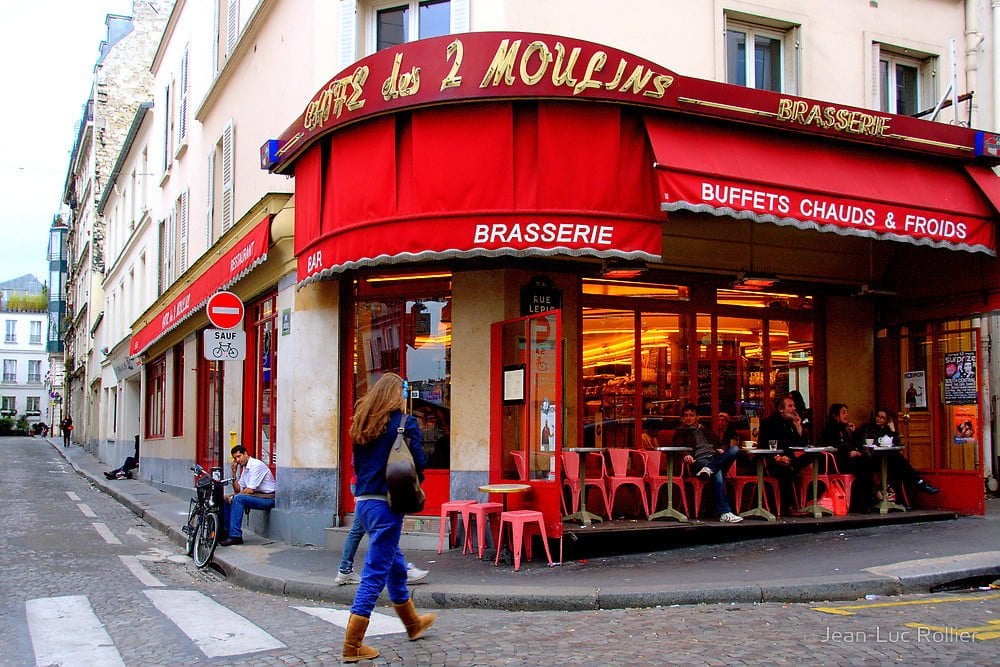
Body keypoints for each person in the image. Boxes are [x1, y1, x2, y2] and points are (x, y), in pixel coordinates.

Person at [342, 372, 435, 662]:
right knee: (375, 573)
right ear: (398, 395)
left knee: (394, 564)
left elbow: (359, 464)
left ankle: (412, 624)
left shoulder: (363, 424)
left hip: (365, 503)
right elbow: (419, 463)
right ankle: (352, 645)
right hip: (387, 505)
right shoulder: (404, 424)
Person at [674, 403, 742, 523]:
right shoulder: (680, 431)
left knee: (735, 449)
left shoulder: (706, 430)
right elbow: (678, 447)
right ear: (683, 418)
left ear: (697, 417)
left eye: (691, 415)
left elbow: (718, 443)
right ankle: (725, 512)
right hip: (699, 460)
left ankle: (709, 468)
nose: (688, 418)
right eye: (686, 415)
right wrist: (686, 455)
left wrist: (720, 448)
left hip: (714, 457)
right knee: (718, 473)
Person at [857, 408, 939, 499]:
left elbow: (897, 445)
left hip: (887, 459)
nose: (879, 419)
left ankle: (908, 486)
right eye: (877, 416)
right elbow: (865, 447)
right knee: (899, 462)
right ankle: (918, 482)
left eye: (882, 417)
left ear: (887, 420)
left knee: (898, 462)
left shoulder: (888, 430)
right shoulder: (868, 428)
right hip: (872, 459)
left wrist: (893, 431)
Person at [756, 394, 809, 509]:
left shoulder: (791, 423)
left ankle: (809, 502)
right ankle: (788, 507)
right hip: (772, 462)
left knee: (815, 456)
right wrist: (778, 457)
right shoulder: (769, 423)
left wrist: (798, 427)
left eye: (794, 406)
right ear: (781, 409)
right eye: (790, 406)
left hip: (790, 459)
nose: (794, 409)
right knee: (787, 471)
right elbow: (764, 445)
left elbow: (800, 445)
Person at [218, 444, 277, 547]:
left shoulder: (256, 465)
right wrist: (233, 474)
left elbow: (249, 490)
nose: (237, 460)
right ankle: (226, 532)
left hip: (267, 498)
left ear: (246, 454)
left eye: (239, 456)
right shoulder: (245, 468)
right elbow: (238, 490)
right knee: (225, 499)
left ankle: (235, 536)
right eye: (235, 458)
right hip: (256, 496)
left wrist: (234, 497)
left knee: (238, 499)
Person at [821, 403, 872, 511]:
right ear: (835, 415)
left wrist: (854, 433)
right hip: (839, 462)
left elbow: (853, 444)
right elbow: (834, 446)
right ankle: (862, 504)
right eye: (843, 412)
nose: (846, 415)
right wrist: (849, 453)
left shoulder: (844, 429)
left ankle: (867, 502)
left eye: (847, 412)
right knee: (863, 466)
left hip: (849, 460)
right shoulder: (831, 429)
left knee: (867, 463)